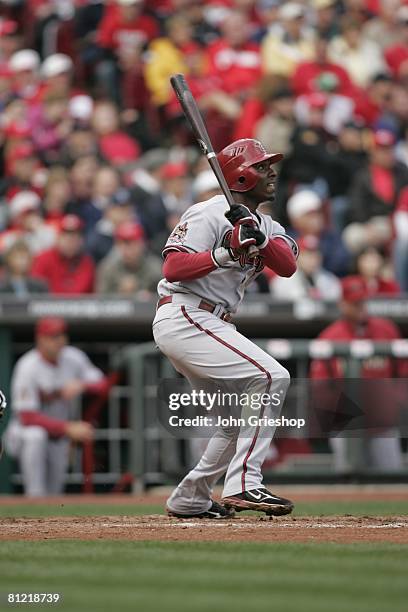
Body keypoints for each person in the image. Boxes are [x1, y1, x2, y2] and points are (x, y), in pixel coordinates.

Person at [153, 138, 298, 519]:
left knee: (234, 424)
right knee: (271, 376)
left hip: (212, 322)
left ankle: (190, 498)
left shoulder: (269, 224)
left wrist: (258, 236)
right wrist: (224, 253)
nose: (272, 173)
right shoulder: (209, 212)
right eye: (263, 166)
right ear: (242, 175)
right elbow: (173, 268)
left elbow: (287, 266)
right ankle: (244, 484)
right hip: (185, 313)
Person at [4, 317, 107, 496]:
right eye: (53, 336)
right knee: (36, 436)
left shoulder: (73, 357)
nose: (59, 341)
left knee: (54, 494)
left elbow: (102, 384)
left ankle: (47, 518)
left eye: (61, 335)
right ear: (40, 339)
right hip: (23, 435)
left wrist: (82, 384)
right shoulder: (28, 366)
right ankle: (33, 496)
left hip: (59, 435)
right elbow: (27, 417)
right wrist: (68, 427)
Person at [31, 214, 95, 294]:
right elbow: (35, 291)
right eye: (66, 236)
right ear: (58, 238)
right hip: (48, 305)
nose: (70, 240)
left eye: (75, 236)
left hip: (79, 305)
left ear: (81, 240)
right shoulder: (44, 259)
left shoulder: (87, 262)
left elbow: (89, 292)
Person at [96, 221, 162, 296]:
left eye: (133, 244)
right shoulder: (108, 268)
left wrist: (149, 297)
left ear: (142, 244)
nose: (128, 250)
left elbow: (166, 296)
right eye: (123, 244)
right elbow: (101, 301)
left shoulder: (155, 267)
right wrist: (121, 294)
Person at [271, 234, 341, 301]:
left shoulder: (330, 280)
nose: (313, 260)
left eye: (316, 255)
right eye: (307, 255)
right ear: (296, 256)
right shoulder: (282, 282)